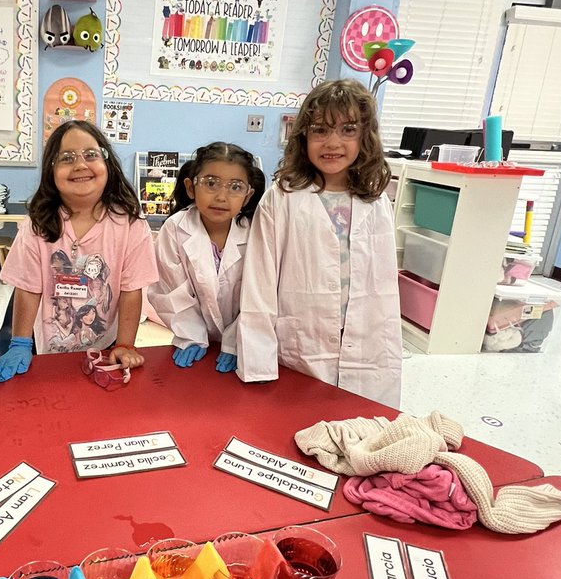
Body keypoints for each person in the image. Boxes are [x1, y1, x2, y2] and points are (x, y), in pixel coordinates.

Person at [237, 78, 402, 406]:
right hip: (303, 345)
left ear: (365, 136)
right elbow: (260, 283)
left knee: (359, 433)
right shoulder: (283, 198)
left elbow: (383, 288)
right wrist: (257, 362)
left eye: (348, 130)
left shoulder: (375, 201)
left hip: (365, 344)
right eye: (320, 130)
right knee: (294, 427)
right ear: (304, 137)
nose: (333, 142)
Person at [0, 120, 158, 380]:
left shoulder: (131, 223)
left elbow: (130, 291)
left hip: (106, 346)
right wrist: (20, 342)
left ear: (107, 163)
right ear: (51, 171)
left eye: (91, 155)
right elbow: (28, 288)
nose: (80, 164)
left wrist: (125, 344)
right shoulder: (38, 224)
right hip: (48, 350)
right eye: (67, 158)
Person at [149, 142, 265, 373]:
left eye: (235, 187)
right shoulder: (175, 228)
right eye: (211, 184)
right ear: (191, 188)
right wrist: (191, 335)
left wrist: (236, 340)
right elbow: (171, 291)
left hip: (248, 339)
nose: (222, 196)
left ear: (248, 195)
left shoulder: (257, 231)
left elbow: (260, 296)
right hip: (192, 340)